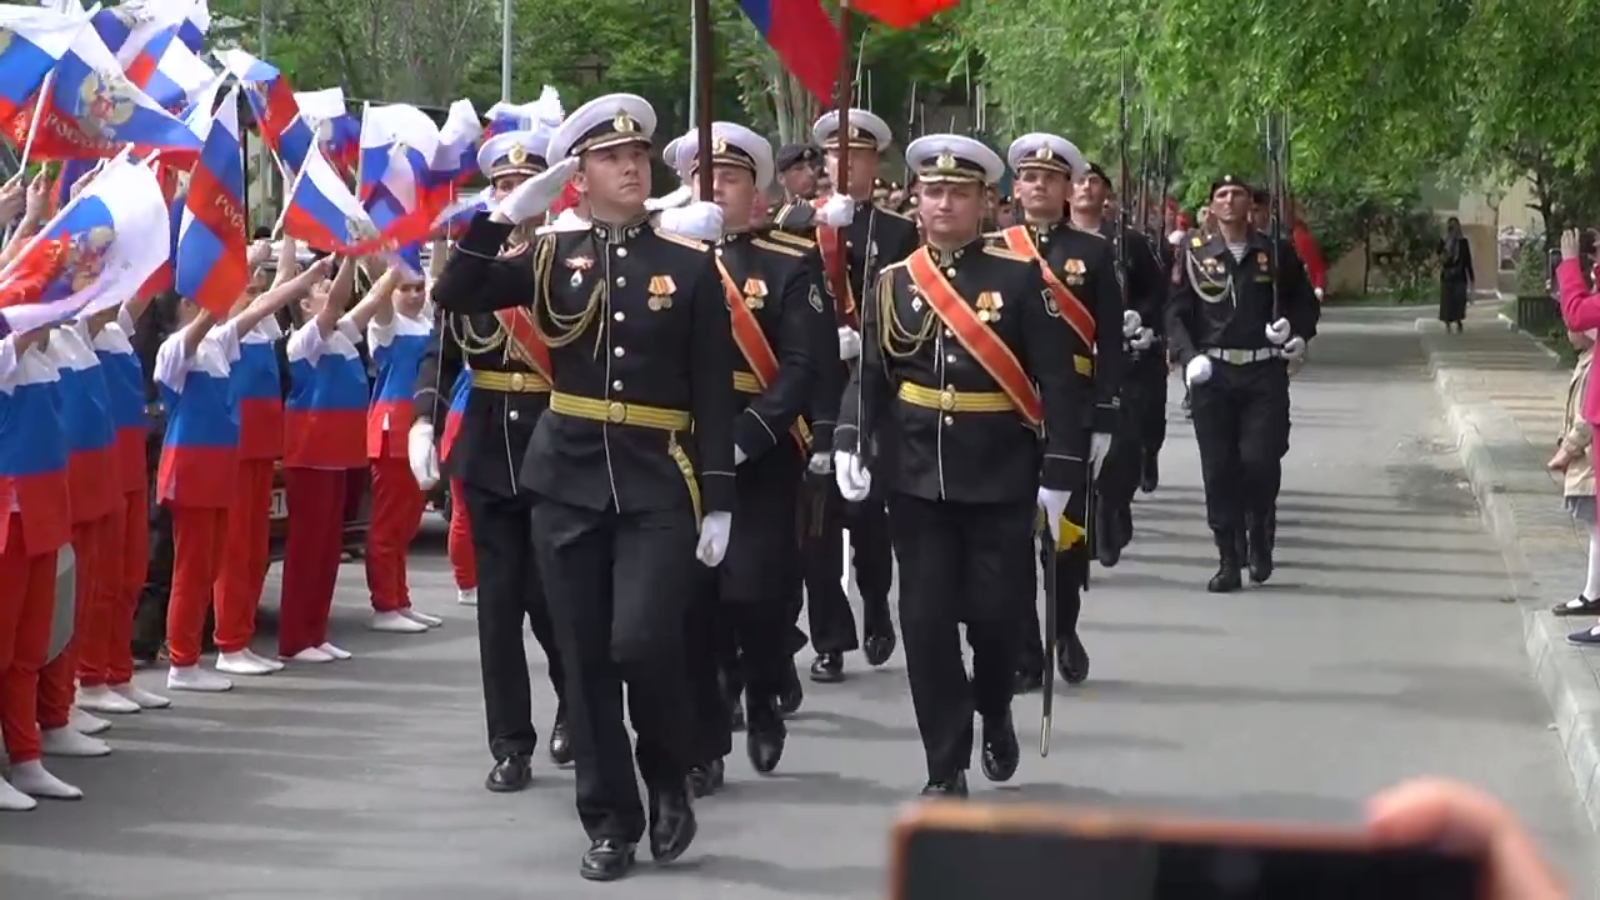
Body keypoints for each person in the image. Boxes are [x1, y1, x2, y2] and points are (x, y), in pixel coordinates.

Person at [431, 93, 735, 880]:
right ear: (579, 176)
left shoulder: (690, 264)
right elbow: (456, 293)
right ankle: (609, 820)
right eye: (609, 157)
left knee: (640, 641)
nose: (631, 166)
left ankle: (667, 768)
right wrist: (504, 213)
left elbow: (713, 391)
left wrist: (722, 495)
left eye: (638, 154)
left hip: (657, 480)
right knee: (586, 656)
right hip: (565, 477)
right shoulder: (547, 256)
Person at [835, 133, 1086, 798]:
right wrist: (849, 439)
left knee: (997, 616)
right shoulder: (892, 284)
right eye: (934, 191)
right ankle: (944, 763)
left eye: (959, 192)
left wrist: (1061, 471)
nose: (944, 203)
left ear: (985, 203)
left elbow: (1058, 383)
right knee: (925, 623)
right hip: (916, 482)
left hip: (1000, 476)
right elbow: (871, 379)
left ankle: (995, 705)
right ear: (916, 199)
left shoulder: (1020, 280)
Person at [410, 125, 573, 795]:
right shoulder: (471, 272)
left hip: (552, 443)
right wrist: (423, 416)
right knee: (497, 608)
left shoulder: (565, 261)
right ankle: (510, 742)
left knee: (553, 599)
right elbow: (440, 350)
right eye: (502, 187)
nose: (512, 195)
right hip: (484, 448)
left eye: (522, 185)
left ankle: (577, 708)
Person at [671, 123, 832, 792]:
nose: (712, 190)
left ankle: (764, 688)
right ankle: (704, 741)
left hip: (758, 452)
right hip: (677, 448)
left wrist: (747, 435)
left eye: (728, 179)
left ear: (755, 190)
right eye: (699, 180)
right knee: (691, 602)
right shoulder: (661, 258)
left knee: (757, 595)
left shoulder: (789, 263)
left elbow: (803, 366)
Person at [776, 106, 919, 684]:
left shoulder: (896, 230)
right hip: (812, 384)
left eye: (856, 156)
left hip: (868, 380)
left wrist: (867, 339)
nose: (844, 164)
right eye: (835, 155)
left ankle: (877, 601)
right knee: (814, 521)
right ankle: (831, 637)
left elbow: (906, 303)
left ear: (872, 163)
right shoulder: (792, 221)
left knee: (865, 513)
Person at [994, 134, 1124, 691]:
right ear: (1015, 187)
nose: (1037, 185)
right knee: (1012, 530)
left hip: (1070, 404)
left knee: (1064, 533)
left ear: (1068, 188)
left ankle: (1062, 627)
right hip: (1011, 403)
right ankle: (1025, 643)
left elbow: (1111, 342)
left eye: (1049, 177)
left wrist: (1106, 415)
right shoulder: (996, 247)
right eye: (1027, 176)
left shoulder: (1092, 252)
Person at [157, 260, 323, 692]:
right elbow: (205, 326)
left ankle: (208, 652)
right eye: (197, 303)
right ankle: (182, 661)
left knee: (212, 563)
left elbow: (259, 307)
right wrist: (219, 290)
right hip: (190, 469)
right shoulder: (176, 349)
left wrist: (306, 279)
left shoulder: (219, 343)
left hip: (219, 467)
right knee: (192, 569)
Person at [1166, 175, 1319, 592]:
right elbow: (1176, 311)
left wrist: (1297, 332)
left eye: (1238, 195)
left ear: (1250, 206)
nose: (1229, 200)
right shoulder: (1194, 254)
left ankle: (1260, 527)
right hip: (1212, 374)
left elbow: (1304, 302)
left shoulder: (1274, 251)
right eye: (1221, 195)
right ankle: (1228, 557)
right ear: (1212, 206)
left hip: (1263, 372)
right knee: (1218, 470)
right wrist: (1188, 353)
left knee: (1260, 461)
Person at [211, 241, 290, 678]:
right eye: (245, 285)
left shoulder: (262, 330)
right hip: (237, 449)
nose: (255, 289)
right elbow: (272, 298)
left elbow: (280, 287)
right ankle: (228, 641)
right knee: (234, 548)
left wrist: (293, 236)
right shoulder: (228, 329)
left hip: (264, 448)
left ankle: (243, 632)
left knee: (256, 548)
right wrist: (250, 260)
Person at [363, 264, 443, 633]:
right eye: (405, 288)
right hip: (392, 429)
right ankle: (385, 605)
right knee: (388, 524)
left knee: (408, 523)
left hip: (420, 426)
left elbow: (440, 273)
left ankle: (401, 599)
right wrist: (387, 264)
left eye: (418, 288)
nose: (414, 294)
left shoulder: (427, 325)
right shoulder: (386, 326)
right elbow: (380, 297)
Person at [1545, 327, 1600, 643]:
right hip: (1589, 462)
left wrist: (1567, 449)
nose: (1568, 331)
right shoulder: (1587, 359)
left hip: (1592, 462)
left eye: (1574, 325)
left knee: (1597, 533)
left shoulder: (1594, 363)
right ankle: (1591, 594)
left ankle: (1593, 595)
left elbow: (1586, 418)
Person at [1439, 216, 1474, 332]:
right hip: (1447, 276)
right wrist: (1446, 241)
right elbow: (1438, 254)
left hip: (1460, 276)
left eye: (1455, 226)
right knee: (1447, 300)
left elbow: (1467, 260)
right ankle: (1447, 323)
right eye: (1451, 226)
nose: (1453, 228)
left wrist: (1471, 277)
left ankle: (1458, 321)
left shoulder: (1463, 242)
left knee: (1459, 300)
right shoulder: (1444, 241)